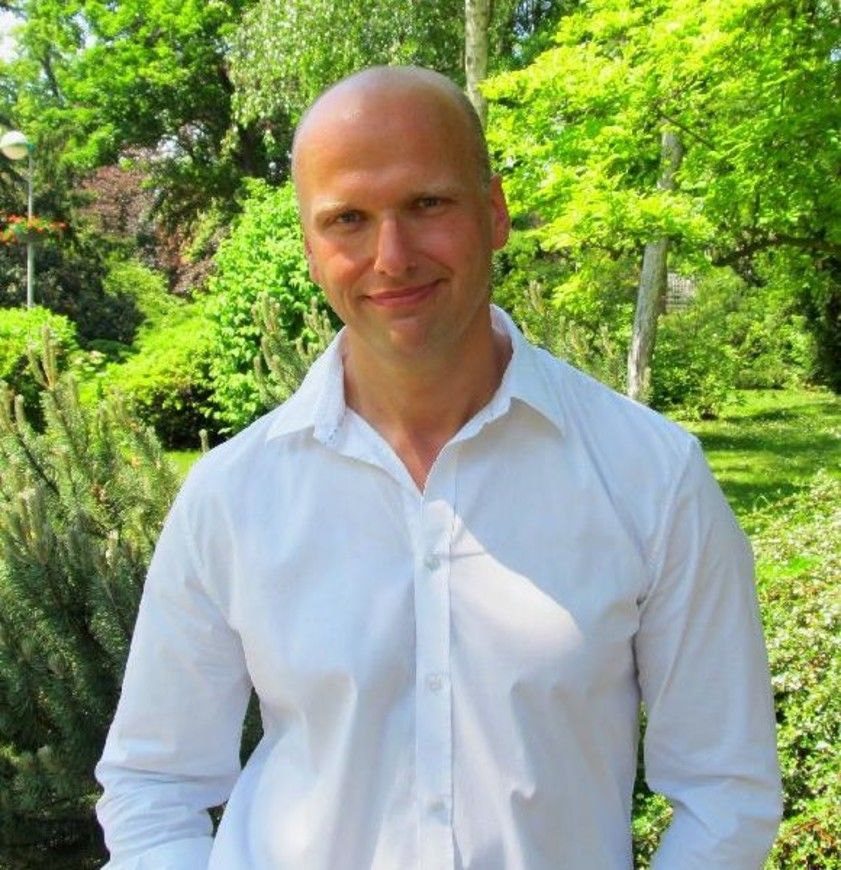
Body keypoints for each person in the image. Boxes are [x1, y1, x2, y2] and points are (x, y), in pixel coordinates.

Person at [95, 66, 782, 869]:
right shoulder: (233, 496)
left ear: (494, 213)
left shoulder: (650, 476)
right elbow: (154, 784)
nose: (391, 257)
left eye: (426, 204)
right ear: (312, 247)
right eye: (348, 219)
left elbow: (724, 790)